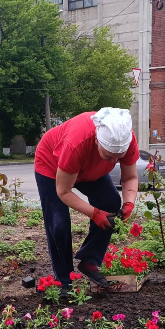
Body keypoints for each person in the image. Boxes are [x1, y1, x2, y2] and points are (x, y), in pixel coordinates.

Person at [34, 107, 139, 291]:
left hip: (89, 168)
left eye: (118, 157)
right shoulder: (77, 142)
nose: (114, 161)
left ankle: (89, 260)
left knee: (111, 202)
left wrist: (129, 202)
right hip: (52, 165)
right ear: (97, 139)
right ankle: (64, 281)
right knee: (59, 225)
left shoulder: (126, 139)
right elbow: (64, 191)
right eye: (108, 155)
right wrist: (94, 213)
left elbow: (130, 177)